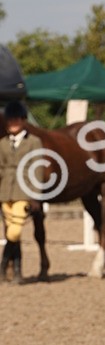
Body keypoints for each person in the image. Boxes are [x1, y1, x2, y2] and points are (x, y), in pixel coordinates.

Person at [0, 100, 43, 283]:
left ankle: (3, 264)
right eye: (10, 120)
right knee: (10, 230)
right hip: (5, 192)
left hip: (24, 191)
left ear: (24, 121)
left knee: (15, 232)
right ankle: (16, 271)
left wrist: (35, 196)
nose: (13, 124)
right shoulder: (2, 143)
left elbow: (38, 169)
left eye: (16, 120)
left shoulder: (34, 142)